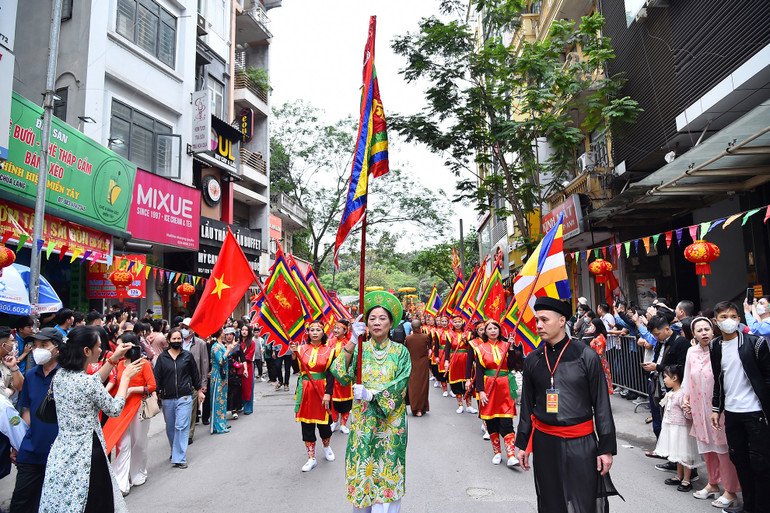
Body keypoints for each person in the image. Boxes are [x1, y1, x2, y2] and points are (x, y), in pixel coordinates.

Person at [515, 297, 618, 513]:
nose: (539, 325)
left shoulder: (585, 355)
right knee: (550, 499)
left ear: (562, 321)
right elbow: (526, 406)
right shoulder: (533, 359)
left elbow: (601, 405)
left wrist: (606, 448)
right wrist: (523, 443)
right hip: (545, 442)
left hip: (581, 443)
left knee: (583, 499)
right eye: (537, 320)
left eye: (545, 319)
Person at [38, 325, 145, 513]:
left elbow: (92, 382)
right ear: (86, 351)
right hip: (88, 453)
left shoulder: (60, 376)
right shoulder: (86, 383)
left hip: (62, 452)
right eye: (98, 346)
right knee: (93, 503)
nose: (100, 350)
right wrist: (126, 377)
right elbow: (114, 409)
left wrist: (112, 359)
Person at [332, 291, 411, 512]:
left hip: (390, 426)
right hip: (363, 423)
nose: (377, 322)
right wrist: (351, 342)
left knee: (387, 474)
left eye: (382, 318)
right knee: (363, 472)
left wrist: (373, 395)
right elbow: (339, 372)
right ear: (365, 323)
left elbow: (401, 384)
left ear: (391, 323)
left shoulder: (400, 352)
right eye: (372, 318)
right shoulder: (360, 348)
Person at [710, 301, 770, 513]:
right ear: (716, 322)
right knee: (740, 461)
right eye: (724, 317)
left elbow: (767, 378)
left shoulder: (755, 343)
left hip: (754, 413)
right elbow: (718, 379)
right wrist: (716, 408)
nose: (729, 321)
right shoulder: (715, 345)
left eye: (733, 316)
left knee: (760, 464)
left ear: (739, 319)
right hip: (732, 413)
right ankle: (749, 507)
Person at [682, 316, 740, 508]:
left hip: (719, 408)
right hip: (699, 408)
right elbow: (687, 379)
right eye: (699, 330)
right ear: (694, 334)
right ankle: (713, 484)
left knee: (723, 449)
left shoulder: (721, 349)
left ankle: (730, 491)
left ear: (713, 329)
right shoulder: (691, 352)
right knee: (707, 448)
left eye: (707, 329)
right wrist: (686, 399)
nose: (704, 333)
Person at [9, 327, 63, 513]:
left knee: (52, 505)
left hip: (59, 454)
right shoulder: (31, 375)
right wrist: (19, 444)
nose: (37, 349)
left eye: (43, 345)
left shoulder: (67, 376)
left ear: (57, 348)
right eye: (35, 345)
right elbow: (27, 413)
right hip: (31, 452)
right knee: (21, 502)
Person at [102, 333, 157, 496]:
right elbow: (115, 383)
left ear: (130, 346)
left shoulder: (143, 363)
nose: (118, 349)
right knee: (123, 444)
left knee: (138, 443)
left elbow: (152, 386)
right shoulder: (119, 364)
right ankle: (120, 482)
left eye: (121, 345)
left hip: (138, 407)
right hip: (121, 408)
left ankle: (138, 473)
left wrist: (132, 389)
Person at [473, 319, 522, 467]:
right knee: (491, 421)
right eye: (490, 329)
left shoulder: (506, 346)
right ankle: (497, 453)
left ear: (499, 331)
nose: (493, 331)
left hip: (505, 387)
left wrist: (512, 350)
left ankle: (511, 455)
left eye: (496, 328)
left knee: (506, 421)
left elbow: (513, 366)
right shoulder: (480, 348)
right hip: (488, 387)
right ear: (485, 332)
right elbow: (479, 371)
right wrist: (480, 391)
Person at [289, 320, 335, 472]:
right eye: (312, 330)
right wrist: (294, 355)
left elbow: (331, 374)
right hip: (306, 390)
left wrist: (328, 393)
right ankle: (311, 458)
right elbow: (296, 370)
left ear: (323, 333)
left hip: (322, 390)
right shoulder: (301, 349)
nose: (315, 332)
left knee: (325, 425)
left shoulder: (330, 351)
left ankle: (327, 447)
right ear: (308, 333)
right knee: (307, 426)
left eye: (318, 330)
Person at [153, 328, 202, 469]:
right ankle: (175, 451)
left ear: (182, 340)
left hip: (185, 396)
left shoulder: (187, 356)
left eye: (178, 339)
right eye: (173, 339)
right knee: (170, 427)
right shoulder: (162, 358)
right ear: (168, 341)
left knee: (181, 426)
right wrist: (155, 392)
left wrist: (199, 390)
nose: (176, 341)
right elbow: (157, 377)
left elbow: (195, 374)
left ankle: (179, 457)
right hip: (167, 398)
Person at [654, 365, 699, 492]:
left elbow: (688, 415)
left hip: (681, 428)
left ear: (675, 378)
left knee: (685, 454)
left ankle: (687, 479)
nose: (665, 380)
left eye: (666, 377)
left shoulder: (681, 395)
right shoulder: (672, 393)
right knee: (677, 453)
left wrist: (688, 410)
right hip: (672, 426)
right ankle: (679, 475)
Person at [445, 314, 476, 414]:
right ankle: (460, 405)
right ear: (452, 323)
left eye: (459, 322)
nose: (457, 324)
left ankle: (469, 405)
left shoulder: (469, 334)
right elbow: (447, 349)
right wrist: (446, 361)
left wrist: (465, 341)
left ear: (462, 322)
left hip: (467, 359)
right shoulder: (450, 334)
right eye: (455, 322)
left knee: (468, 381)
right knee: (457, 383)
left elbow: (471, 347)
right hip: (455, 359)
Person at [210, 329, 237, 434]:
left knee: (223, 399)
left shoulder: (220, 345)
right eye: (224, 332)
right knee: (218, 399)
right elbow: (220, 361)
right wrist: (228, 350)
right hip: (218, 375)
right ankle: (218, 425)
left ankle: (222, 422)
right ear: (221, 334)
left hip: (223, 375)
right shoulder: (215, 346)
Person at [329, 320, 353, 433]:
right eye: (335, 328)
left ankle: (343, 424)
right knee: (333, 401)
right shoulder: (329, 342)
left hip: (344, 377)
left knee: (346, 402)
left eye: (339, 328)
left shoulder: (349, 343)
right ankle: (334, 421)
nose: (336, 330)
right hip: (332, 377)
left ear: (345, 330)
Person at [404, 318, 431, 417]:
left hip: (412, 363)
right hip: (423, 364)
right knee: (423, 385)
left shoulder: (408, 338)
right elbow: (429, 348)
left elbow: (405, 350)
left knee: (413, 386)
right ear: (420, 327)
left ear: (412, 327)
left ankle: (416, 408)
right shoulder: (425, 337)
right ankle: (422, 408)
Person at [586, 318, 613, 395]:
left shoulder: (600, 338)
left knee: (601, 382)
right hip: (598, 361)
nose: (591, 327)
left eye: (592, 326)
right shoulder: (597, 336)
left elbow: (599, 353)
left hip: (600, 363)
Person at [225, 328, 246, 418]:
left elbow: (243, 358)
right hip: (224, 371)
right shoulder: (221, 346)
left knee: (235, 391)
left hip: (235, 371)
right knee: (227, 391)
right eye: (227, 334)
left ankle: (234, 409)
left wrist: (245, 369)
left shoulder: (237, 346)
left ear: (233, 335)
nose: (229, 336)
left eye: (231, 334)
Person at [240, 325, 256, 415]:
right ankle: (240, 405)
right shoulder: (238, 342)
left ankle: (248, 408)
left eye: (246, 330)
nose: (244, 331)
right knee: (240, 387)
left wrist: (241, 359)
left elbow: (250, 355)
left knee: (248, 387)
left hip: (248, 366)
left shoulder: (252, 343)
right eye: (242, 329)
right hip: (238, 366)